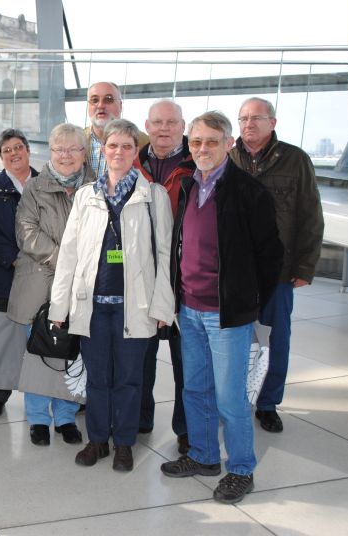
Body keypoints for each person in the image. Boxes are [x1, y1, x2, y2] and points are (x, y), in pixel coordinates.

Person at [160, 111, 282, 505]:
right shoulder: (189, 185)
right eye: (196, 142)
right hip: (189, 310)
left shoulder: (248, 191)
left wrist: (251, 303)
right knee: (195, 388)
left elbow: (270, 255)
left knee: (230, 397)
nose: (202, 149)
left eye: (211, 141)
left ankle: (241, 469)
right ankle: (203, 455)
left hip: (226, 314)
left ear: (229, 143)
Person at [49, 119, 174, 470]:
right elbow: (70, 254)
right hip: (93, 306)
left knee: (130, 380)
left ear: (136, 152)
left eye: (127, 147)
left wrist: (163, 304)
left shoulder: (154, 197)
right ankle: (98, 440)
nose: (119, 152)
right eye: (112, 146)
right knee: (98, 378)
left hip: (134, 307)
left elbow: (165, 255)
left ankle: (124, 443)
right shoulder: (87, 196)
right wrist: (60, 306)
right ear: (103, 151)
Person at [230, 97, 325, 434]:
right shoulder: (229, 158)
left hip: (279, 272)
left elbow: (311, 215)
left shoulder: (295, 160)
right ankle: (235, 397)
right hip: (237, 272)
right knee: (235, 338)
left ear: (273, 122)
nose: (248, 125)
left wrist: (305, 265)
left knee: (275, 339)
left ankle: (268, 403)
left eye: (256, 118)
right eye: (243, 118)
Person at [7, 123, 92, 447]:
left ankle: (67, 416)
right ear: (50, 152)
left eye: (73, 149)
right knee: (40, 352)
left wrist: (77, 268)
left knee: (73, 354)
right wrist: (63, 260)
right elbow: (25, 230)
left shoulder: (95, 186)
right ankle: (39, 418)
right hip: (40, 284)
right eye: (59, 149)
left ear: (83, 154)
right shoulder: (35, 187)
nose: (66, 155)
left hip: (81, 286)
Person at [137, 99, 195, 454]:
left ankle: (187, 429)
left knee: (186, 362)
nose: (163, 128)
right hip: (141, 277)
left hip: (184, 278)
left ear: (182, 126)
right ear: (147, 125)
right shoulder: (132, 161)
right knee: (139, 358)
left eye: (171, 122)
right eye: (157, 122)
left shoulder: (197, 164)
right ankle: (140, 418)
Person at [0, 128, 39, 417]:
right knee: (2, 335)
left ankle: (41, 394)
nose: (14, 153)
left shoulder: (46, 184)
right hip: (5, 274)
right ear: (1, 157)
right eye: (7, 150)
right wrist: (13, 258)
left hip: (43, 274)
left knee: (41, 335)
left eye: (19, 147)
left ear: (28, 150)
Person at [84, 82, 148, 178]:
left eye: (108, 99)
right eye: (94, 100)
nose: (100, 105)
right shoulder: (74, 141)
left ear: (120, 105)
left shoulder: (144, 142)